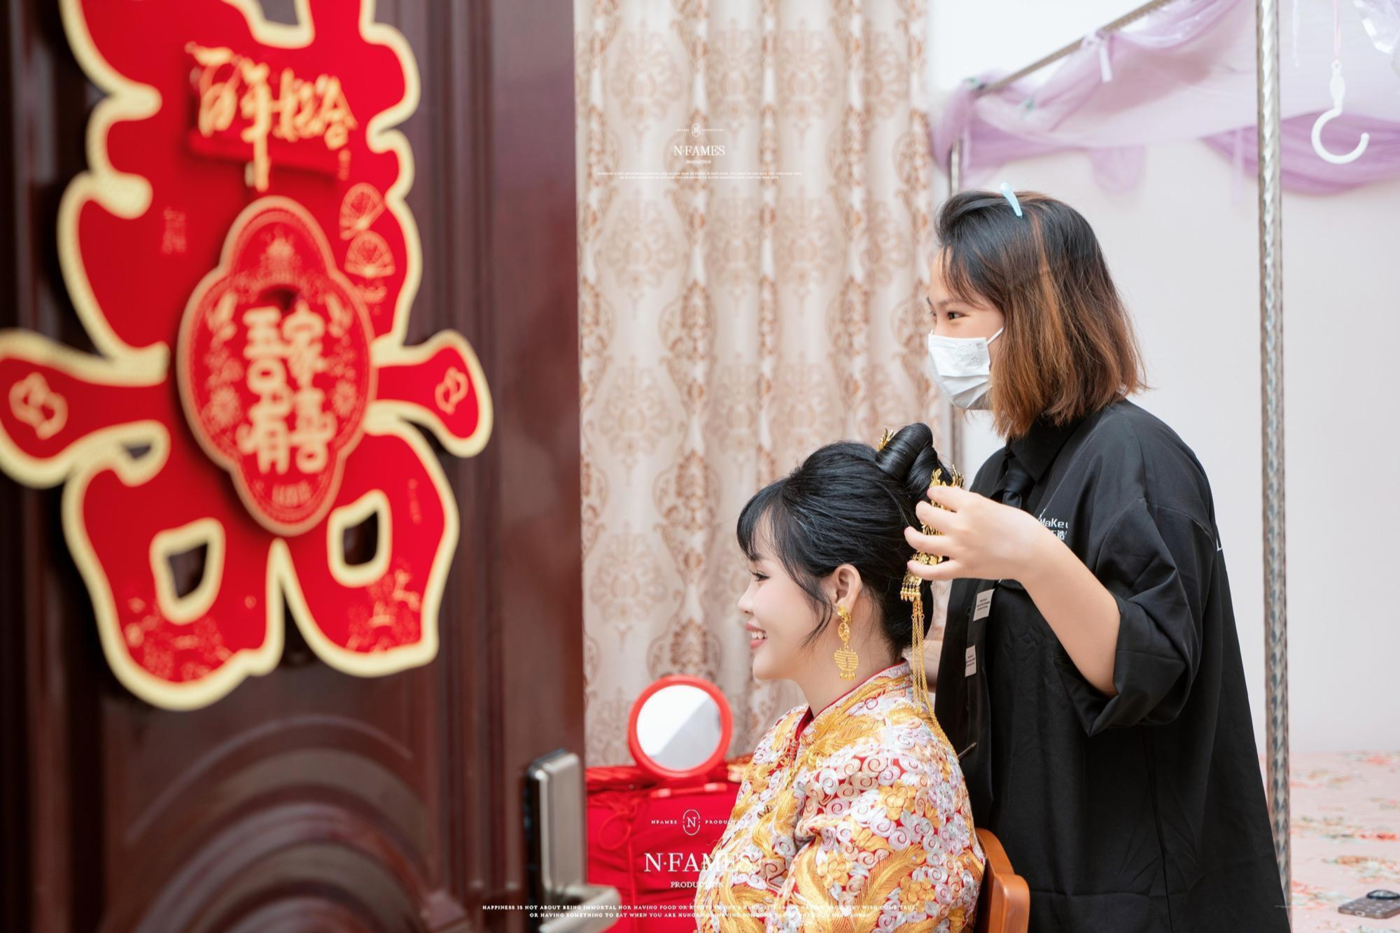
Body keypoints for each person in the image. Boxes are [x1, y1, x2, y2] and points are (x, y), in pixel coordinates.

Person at [903, 187, 1289, 931]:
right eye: (933, 315)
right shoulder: (1002, 476)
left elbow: (1147, 670)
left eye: (955, 315)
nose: (937, 338)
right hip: (1028, 869)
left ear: (1033, 318)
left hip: (1131, 892)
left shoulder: (1136, 458)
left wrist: (1034, 556)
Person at [694, 424, 984, 932]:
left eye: (760, 576)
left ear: (841, 589)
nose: (744, 602)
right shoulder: (792, 733)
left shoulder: (894, 772)